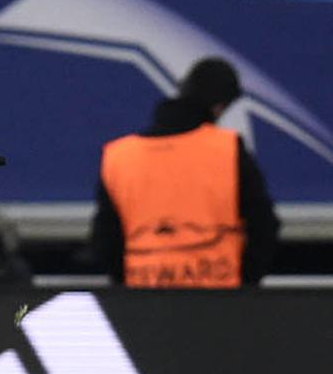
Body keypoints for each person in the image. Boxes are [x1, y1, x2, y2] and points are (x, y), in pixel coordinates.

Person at [91, 56, 280, 288]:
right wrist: (245, 285)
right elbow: (264, 225)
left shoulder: (120, 156)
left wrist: (131, 289)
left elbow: (106, 240)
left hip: (145, 304)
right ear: (219, 106)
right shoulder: (228, 150)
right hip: (221, 304)